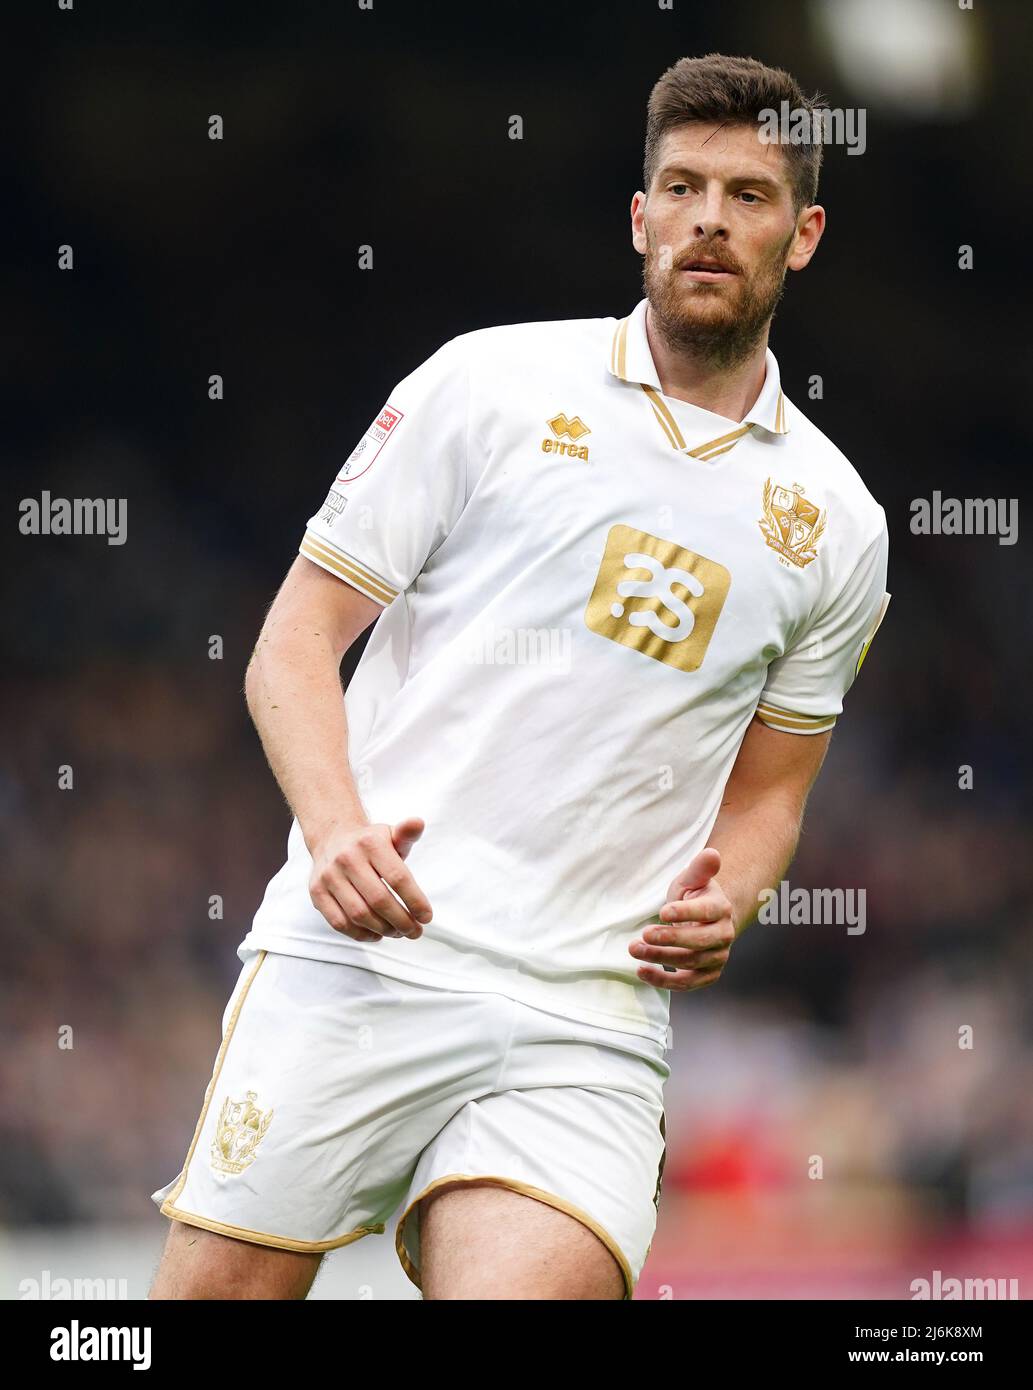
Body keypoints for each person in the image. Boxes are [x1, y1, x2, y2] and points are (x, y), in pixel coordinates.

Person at [150, 52, 890, 1301]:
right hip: (367, 955)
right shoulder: (483, 385)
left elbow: (772, 791)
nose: (710, 217)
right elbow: (292, 643)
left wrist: (738, 896)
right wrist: (332, 834)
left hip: (584, 1013)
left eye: (749, 195)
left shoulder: (838, 522)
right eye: (682, 185)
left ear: (803, 233)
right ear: (640, 216)